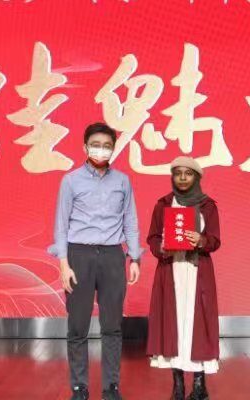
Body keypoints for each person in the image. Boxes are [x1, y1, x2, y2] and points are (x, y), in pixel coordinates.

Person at [48, 122, 142, 400]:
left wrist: (134, 257)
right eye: (96, 145)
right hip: (79, 254)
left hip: (113, 255)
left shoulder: (122, 181)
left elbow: (130, 221)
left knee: (112, 326)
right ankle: (79, 388)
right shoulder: (71, 180)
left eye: (107, 146)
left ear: (114, 149)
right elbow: (61, 224)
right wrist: (63, 264)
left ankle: (111, 388)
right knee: (78, 326)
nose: (101, 150)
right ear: (85, 147)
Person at [146, 156, 221, 400]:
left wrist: (201, 240)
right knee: (174, 324)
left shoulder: (208, 205)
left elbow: (215, 240)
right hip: (171, 270)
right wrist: (161, 247)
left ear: (196, 177)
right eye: (178, 173)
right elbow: (153, 238)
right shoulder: (163, 204)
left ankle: (199, 385)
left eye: (188, 174)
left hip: (197, 271)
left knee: (197, 325)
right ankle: (177, 385)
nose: (182, 178)